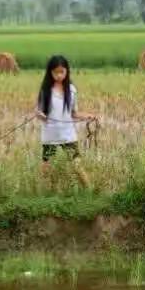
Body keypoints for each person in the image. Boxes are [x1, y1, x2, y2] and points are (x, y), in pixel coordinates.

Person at [35, 55, 97, 189]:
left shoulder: (72, 90)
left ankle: (89, 190)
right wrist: (39, 115)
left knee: (77, 164)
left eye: (61, 72)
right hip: (50, 134)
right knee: (46, 165)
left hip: (68, 134)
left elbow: (74, 113)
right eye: (55, 72)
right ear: (50, 73)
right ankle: (40, 192)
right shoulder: (45, 91)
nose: (58, 75)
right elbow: (41, 114)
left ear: (67, 71)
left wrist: (88, 116)